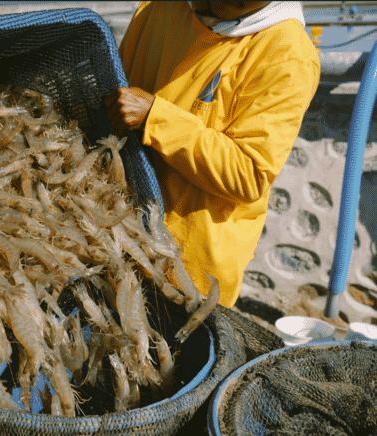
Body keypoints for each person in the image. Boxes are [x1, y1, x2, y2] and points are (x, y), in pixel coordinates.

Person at [106, 1, 320, 308]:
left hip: (189, 274)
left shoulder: (286, 53)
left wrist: (156, 118)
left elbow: (248, 174)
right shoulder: (159, 9)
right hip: (115, 240)